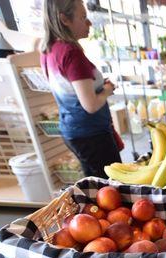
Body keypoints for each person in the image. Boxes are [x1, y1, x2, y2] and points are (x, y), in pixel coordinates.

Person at [40, 0, 122, 178]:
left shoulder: (49, 50)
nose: (89, 22)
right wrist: (107, 89)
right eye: (83, 17)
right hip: (92, 134)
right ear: (64, 19)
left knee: (94, 184)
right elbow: (90, 105)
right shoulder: (71, 53)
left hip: (72, 130)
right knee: (113, 186)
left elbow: (72, 89)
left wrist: (98, 86)